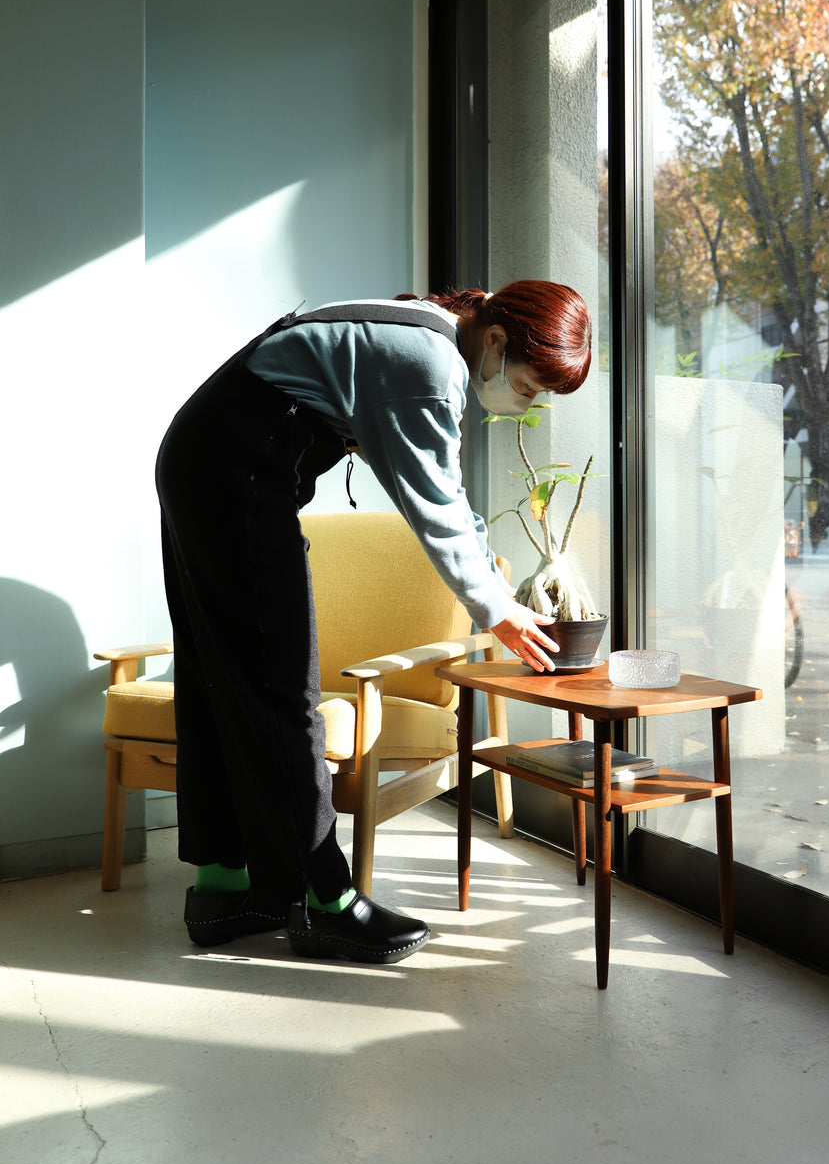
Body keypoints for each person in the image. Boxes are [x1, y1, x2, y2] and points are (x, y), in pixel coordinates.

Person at [155, 281, 592, 964]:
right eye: (531, 389)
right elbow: (435, 503)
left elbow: (446, 486)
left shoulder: (430, 329)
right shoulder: (429, 361)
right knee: (283, 687)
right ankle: (328, 903)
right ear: (499, 340)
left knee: (220, 677)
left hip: (202, 461)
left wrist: (494, 582)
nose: (523, 403)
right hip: (232, 477)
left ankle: (225, 889)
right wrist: (498, 611)